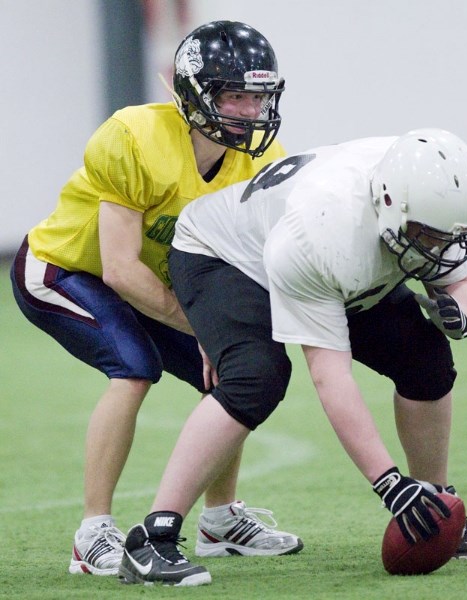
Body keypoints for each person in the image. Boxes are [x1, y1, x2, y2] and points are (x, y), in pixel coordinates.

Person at [118, 128, 467, 586]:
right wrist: (388, 484)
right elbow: (330, 376)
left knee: (426, 359)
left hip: (339, 255)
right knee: (256, 377)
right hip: (226, 256)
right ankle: (151, 537)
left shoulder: (427, 195)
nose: (437, 247)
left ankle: (436, 502)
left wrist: (460, 313)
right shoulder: (325, 234)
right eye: (428, 236)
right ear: (390, 204)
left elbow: (457, 278)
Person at [9, 20, 304, 577]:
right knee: (134, 365)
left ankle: (220, 520)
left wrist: (224, 336)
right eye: (234, 95)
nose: (248, 110)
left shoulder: (262, 162)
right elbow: (118, 268)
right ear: (194, 93)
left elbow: (243, 261)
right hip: (65, 268)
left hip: (148, 280)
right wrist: (204, 330)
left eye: (257, 96)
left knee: (227, 373)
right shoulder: (134, 136)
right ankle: (92, 531)